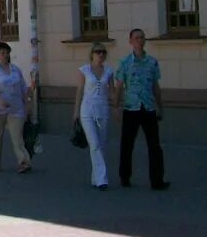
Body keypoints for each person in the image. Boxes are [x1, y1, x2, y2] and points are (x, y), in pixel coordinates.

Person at [114, 28, 168, 190]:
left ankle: (157, 180)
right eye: (137, 38)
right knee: (127, 144)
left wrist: (160, 106)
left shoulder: (152, 62)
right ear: (130, 41)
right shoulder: (124, 63)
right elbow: (119, 87)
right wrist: (116, 107)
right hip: (131, 108)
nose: (140, 40)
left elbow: (155, 86)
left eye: (142, 38)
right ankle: (125, 176)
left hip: (148, 108)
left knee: (154, 145)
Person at [0, 41, 32, 174]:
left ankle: (24, 162)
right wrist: (0, 100)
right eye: (2, 53)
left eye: (7, 53)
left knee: (18, 137)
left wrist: (28, 103)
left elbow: (23, 88)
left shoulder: (15, 69)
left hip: (16, 107)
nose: (5, 55)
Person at [72, 44, 114, 189]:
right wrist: (76, 111)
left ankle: (96, 177)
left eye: (103, 52)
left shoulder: (109, 71)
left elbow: (112, 92)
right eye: (98, 52)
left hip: (103, 109)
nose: (101, 54)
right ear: (92, 54)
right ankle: (102, 179)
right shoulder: (84, 70)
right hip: (87, 110)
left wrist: (117, 106)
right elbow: (79, 91)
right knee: (94, 144)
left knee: (101, 144)